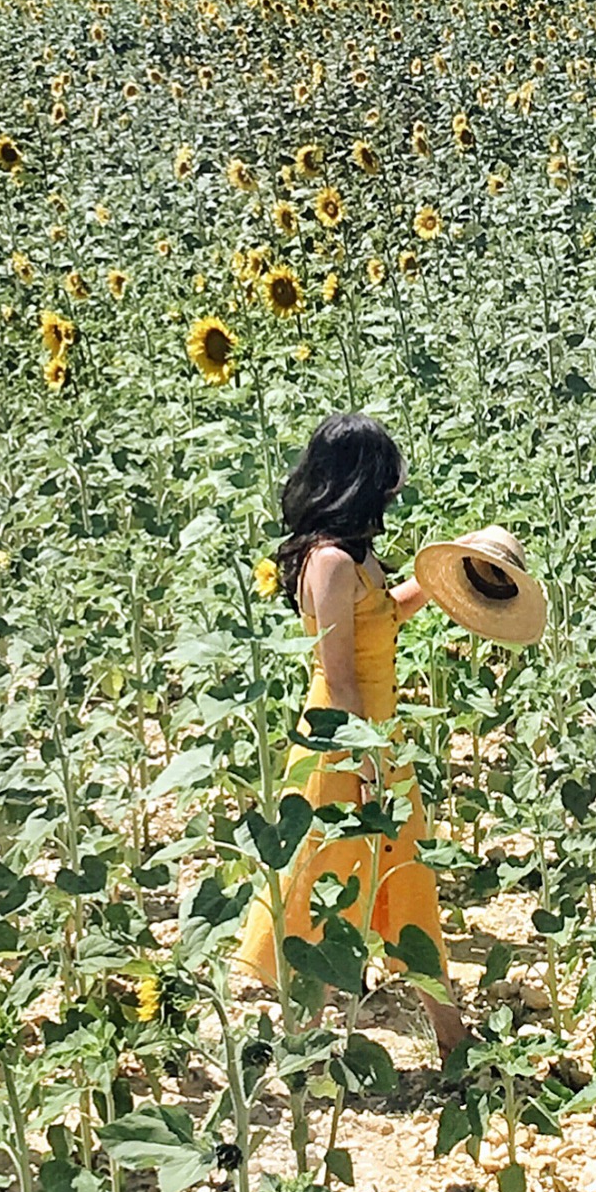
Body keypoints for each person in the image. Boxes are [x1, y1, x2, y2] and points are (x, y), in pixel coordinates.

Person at [233, 411, 468, 1062]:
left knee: (407, 881)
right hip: (342, 744)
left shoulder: (356, 556)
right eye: (385, 483)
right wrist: (365, 762)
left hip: (377, 737)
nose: (392, 496)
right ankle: (299, 1046)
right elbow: (339, 675)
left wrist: (458, 569)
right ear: (358, 484)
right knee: (319, 890)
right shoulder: (329, 563)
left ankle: (450, 1037)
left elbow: (387, 614)